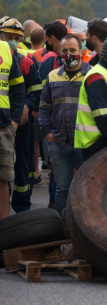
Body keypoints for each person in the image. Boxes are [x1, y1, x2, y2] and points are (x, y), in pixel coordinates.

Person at [39, 35, 89, 214]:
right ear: (60, 52)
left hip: (84, 143)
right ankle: (63, 228)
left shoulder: (91, 75)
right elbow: (44, 107)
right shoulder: (52, 76)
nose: (68, 54)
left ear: (81, 52)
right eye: (65, 51)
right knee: (62, 189)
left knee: (86, 189)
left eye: (73, 51)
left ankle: (85, 227)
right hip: (59, 142)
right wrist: (47, 133)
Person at [1, 19, 42, 212]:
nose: (13, 42)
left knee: (23, 164)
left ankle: (22, 205)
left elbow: (37, 93)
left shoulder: (26, 62)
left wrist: (27, 105)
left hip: (22, 123)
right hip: (5, 120)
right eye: (9, 38)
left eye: (17, 39)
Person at [0, 40, 26, 219]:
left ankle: (4, 231)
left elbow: (18, 86)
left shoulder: (5, 48)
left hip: (3, 126)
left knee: (3, 179)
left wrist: (14, 121)